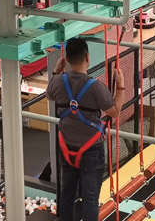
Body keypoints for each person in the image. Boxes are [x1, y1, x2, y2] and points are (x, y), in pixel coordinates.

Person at [47, 38, 126, 221]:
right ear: (87, 58)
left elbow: (50, 95)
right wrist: (120, 86)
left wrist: (56, 71)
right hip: (91, 149)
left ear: (66, 59)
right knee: (90, 199)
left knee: (67, 192)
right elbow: (114, 112)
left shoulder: (58, 82)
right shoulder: (96, 86)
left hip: (67, 147)